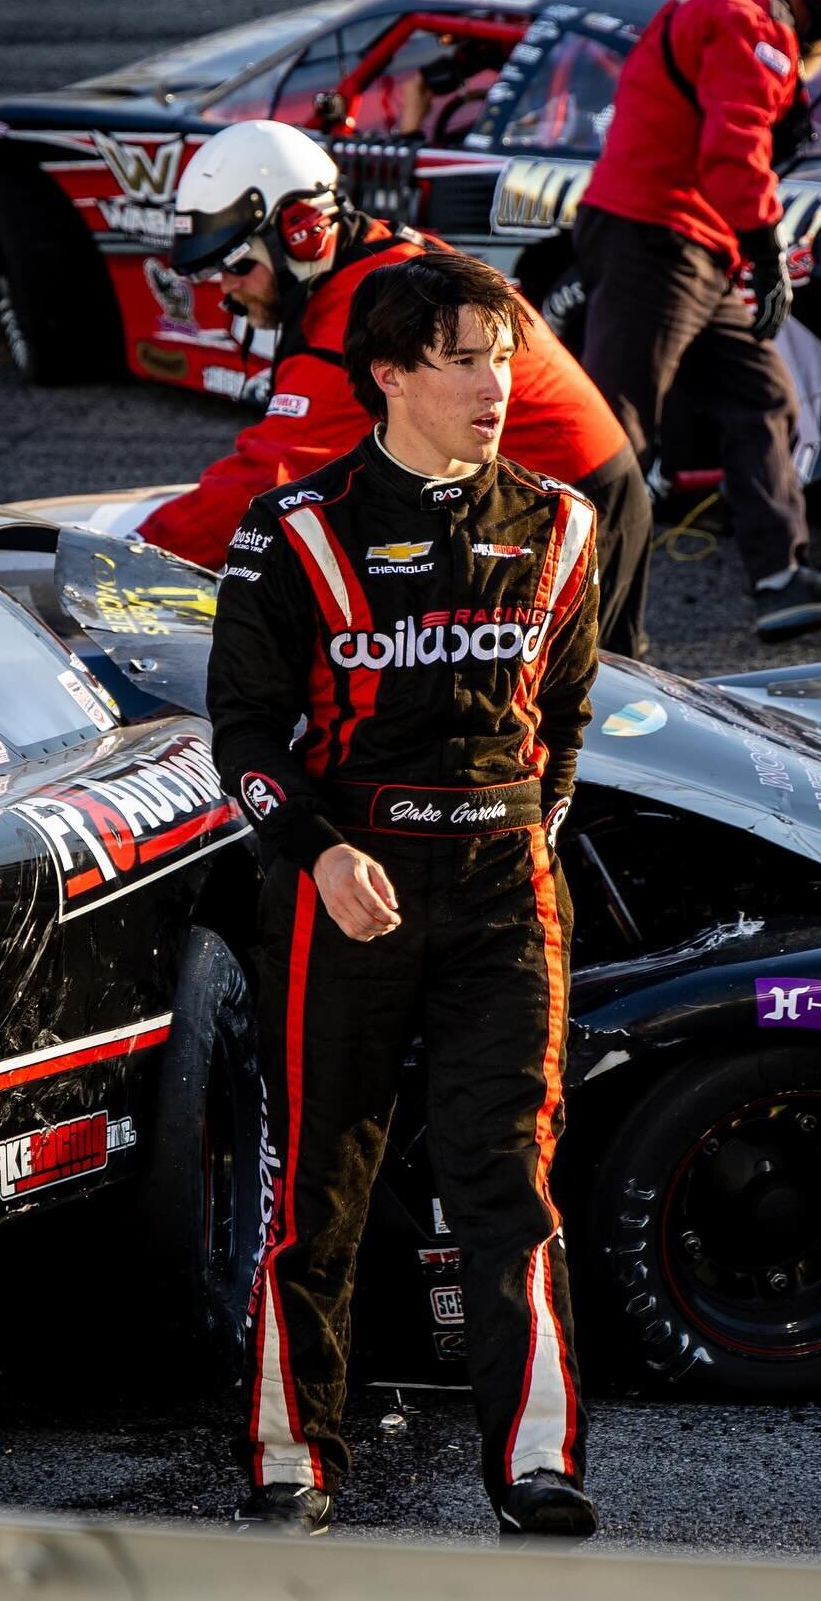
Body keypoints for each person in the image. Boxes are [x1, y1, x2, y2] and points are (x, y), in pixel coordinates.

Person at [208, 250, 600, 1539]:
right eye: (466, 358)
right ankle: (290, 1462)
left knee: (510, 1184)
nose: (498, 382)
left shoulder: (563, 523)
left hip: (501, 896)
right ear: (388, 376)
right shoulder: (293, 530)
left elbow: (571, 720)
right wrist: (318, 851)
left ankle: (536, 1466)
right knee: (315, 1192)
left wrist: (526, 843)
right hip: (343, 893)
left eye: (505, 355)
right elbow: (245, 737)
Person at [141, 119, 650, 656]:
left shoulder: (363, 316)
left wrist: (137, 553)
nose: (228, 288)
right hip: (545, 493)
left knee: (561, 715)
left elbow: (269, 481)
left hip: (568, 506)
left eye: (238, 265)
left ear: (302, 231)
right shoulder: (370, 257)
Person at [573, 0, 821, 642]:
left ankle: (781, 580)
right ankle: (588, 631)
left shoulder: (724, 4)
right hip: (656, 240)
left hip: (688, 245)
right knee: (615, 440)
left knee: (761, 396)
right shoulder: (755, 24)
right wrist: (766, 245)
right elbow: (733, 152)